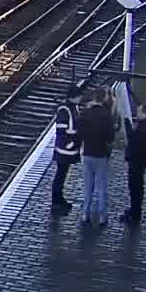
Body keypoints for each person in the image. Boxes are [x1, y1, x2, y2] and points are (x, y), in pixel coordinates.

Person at [77, 89, 117, 226]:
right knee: (101, 187)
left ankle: (84, 213)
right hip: (101, 155)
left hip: (87, 153)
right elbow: (111, 137)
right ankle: (102, 216)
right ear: (104, 99)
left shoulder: (85, 113)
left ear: (93, 98)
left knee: (88, 186)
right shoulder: (107, 115)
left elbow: (79, 129)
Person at [123, 104, 146, 223]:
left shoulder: (145, 127)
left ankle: (135, 214)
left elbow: (134, 139)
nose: (136, 114)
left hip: (137, 159)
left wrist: (128, 125)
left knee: (135, 187)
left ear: (144, 113)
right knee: (135, 186)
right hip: (139, 159)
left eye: (138, 112)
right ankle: (134, 210)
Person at [50, 83, 82, 213]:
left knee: (62, 174)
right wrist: (73, 140)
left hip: (69, 148)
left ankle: (59, 198)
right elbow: (62, 130)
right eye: (79, 95)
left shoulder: (73, 107)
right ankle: (56, 201)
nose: (81, 98)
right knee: (60, 174)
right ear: (74, 96)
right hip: (65, 149)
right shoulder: (65, 110)